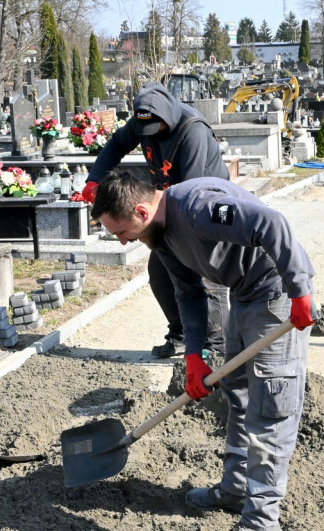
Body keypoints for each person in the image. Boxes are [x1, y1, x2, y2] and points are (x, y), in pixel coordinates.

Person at [91, 169, 315, 531]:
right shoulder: (159, 235)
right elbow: (189, 293)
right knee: (239, 395)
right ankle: (236, 490)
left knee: (271, 409)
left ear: (141, 212)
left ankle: (262, 524)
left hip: (277, 296)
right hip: (243, 296)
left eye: (121, 232)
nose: (122, 240)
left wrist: (299, 292)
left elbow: (271, 223)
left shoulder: (198, 208)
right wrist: (194, 354)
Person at [83, 81, 229, 358]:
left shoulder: (193, 130)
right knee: (161, 273)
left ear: (167, 114)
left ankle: (216, 348)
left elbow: (192, 187)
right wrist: (94, 179)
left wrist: (175, 232)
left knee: (206, 278)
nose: (151, 134)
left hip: (202, 206)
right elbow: (116, 145)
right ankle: (181, 333)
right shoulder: (143, 120)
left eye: (156, 128)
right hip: (164, 205)